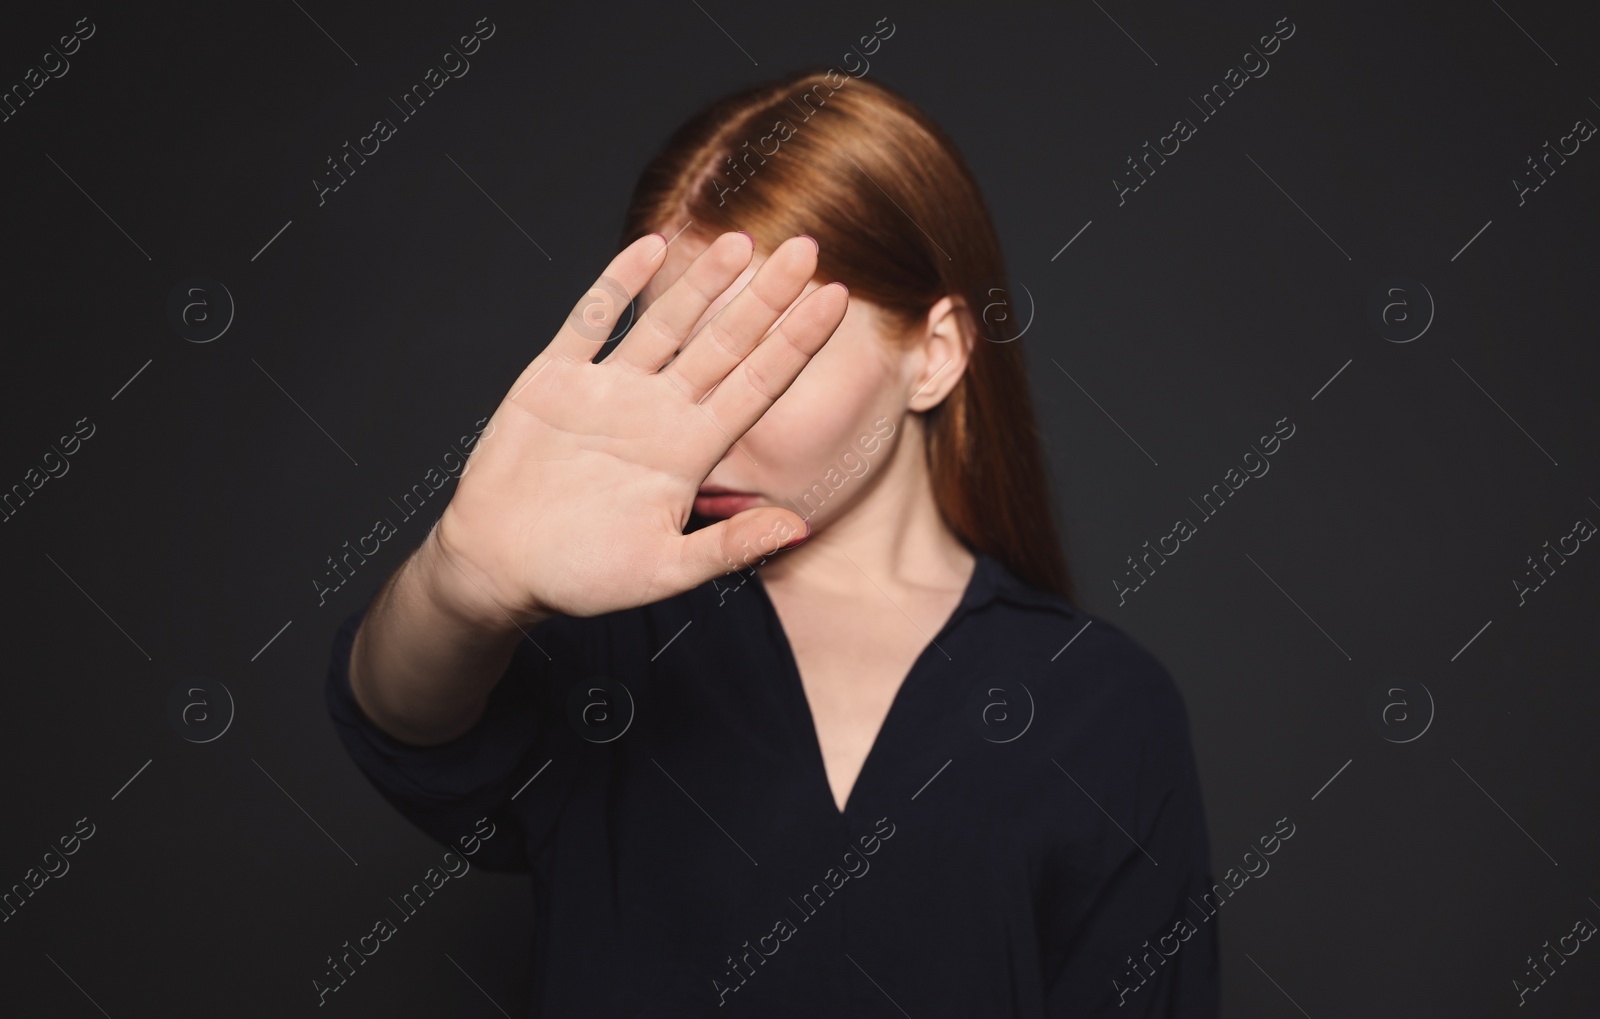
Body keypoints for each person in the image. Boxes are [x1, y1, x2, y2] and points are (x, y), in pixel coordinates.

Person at [325, 67, 1219, 1016]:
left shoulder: (1102, 707)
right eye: (680, 348)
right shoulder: (612, 636)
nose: (706, 419)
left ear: (937, 351)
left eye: (768, 354)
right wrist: (461, 580)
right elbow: (402, 719)